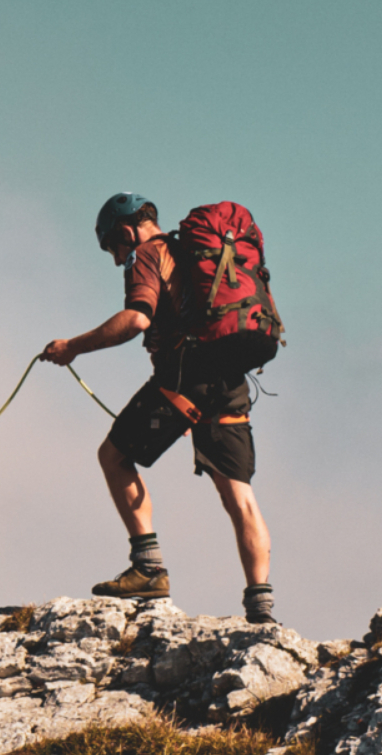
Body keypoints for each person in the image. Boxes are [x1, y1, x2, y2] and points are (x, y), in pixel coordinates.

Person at [39, 193, 278, 624]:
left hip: (183, 376)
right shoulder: (191, 255)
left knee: (113, 456)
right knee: (238, 496)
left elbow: (136, 320)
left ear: (127, 231)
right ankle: (260, 609)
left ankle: (148, 568)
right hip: (230, 378)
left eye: (114, 247)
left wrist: (72, 347)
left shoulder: (147, 254)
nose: (116, 260)